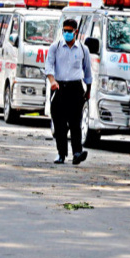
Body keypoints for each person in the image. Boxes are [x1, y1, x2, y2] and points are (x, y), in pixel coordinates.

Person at [45, 19, 92, 165]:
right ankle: (61, 153)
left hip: (76, 89)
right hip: (59, 88)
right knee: (59, 124)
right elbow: (49, 67)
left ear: (76, 32)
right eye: (64, 31)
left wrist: (88, 90)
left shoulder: (83, 50)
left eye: (69, 31)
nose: (67, 34)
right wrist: (52, 81)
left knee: (75, 123)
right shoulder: (55, 47)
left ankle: (77, 152)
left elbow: (88, 72)